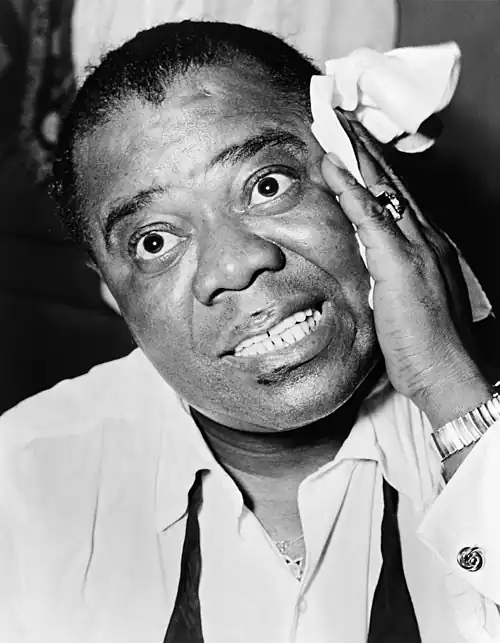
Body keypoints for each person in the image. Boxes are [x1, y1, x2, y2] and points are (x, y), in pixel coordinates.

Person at [0, 20, 499, 643]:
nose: (234, 265)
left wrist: (447, 386)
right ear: (110, 291)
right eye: (154, 241)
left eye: (267, 186)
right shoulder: (20, 487)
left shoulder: (475, 421)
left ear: (364, 180)